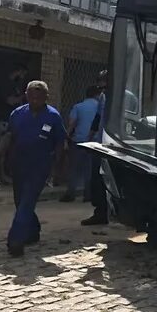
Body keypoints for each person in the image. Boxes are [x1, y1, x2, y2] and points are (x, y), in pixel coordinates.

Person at [0, 80, 66, 257]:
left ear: (46, 97)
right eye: (31, 95)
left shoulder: (53, 116)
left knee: (27, 201)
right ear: (26, 95)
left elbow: (60, 143)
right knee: (20, 202)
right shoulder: (17, 114)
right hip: (19, 164)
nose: (35, 99)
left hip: (40, 165)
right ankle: (33, 230)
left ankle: (15, 241)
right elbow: (8, 137)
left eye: (39, 96)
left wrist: (55, 169)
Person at [60, 85, 101, 202]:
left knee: (74, 168)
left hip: (78, 141)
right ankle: (88, 195)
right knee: (89, 169)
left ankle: (70, 193)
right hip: (94, 143)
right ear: (97, 95)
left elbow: (71, 124)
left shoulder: (78, 106)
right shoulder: (99, 107)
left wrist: (66, 139)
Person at [82, 70, 109, 226]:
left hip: (115, 144)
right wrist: (89, 137)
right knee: (97, 179)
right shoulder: (103, 97)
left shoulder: (126, 96)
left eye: (103, 82)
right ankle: (100, 213)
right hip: (101, 144)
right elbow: (97, 118)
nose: (101, 86)